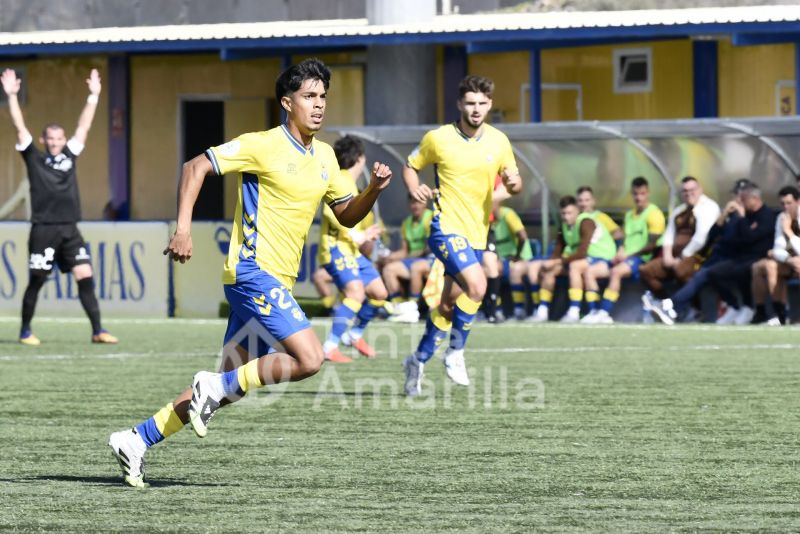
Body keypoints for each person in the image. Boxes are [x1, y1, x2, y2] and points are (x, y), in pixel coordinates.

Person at [108, 59, 392, 488]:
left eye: (323, 97)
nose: (318, 106)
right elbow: (194, 167)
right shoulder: (263, 145)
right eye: (309, 97)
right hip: (252, 274)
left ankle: (136, 439)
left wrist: (371, 189)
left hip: (275, 282)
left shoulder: (326, 157)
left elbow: (347, 216)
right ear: (286, 103)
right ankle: (211, 385)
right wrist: (182, 228)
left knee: (229, 386)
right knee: (310, 359)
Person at [401, 74, 521, 397]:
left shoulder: (499, 141)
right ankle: (455, 352)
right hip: (445, 227)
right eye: (470, 103)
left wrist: (511, 183)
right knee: (478, 284)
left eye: (482, 103)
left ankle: (417, 359)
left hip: (477, 235)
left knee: (450, 306)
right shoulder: (438, 138)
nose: (476, 109)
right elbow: (411, 166)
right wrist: (416, 189)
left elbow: (516, 184)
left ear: (490, 104)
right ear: (459, 104)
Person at [1, 68, 118, 346]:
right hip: (43, 229)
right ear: (43, 140)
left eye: (58, 139)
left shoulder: (69, 156)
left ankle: (98, 330)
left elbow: (84, 127)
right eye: (50, 139)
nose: (54, 143)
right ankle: (25, 331)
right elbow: (19, 127)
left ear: (63, 140)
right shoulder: (34, 158)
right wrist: (12, 96)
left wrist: (93, 95)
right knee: (37, 280)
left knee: (85, 274)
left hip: (69, 229)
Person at [646, 180, 774, 325]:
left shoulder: (764, 215)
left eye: (742, 198)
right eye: (737, 197)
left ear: (753, 198)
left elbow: (748, 238)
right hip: (727, 256)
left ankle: (672, 306)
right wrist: (724, 215)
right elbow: (713, 234)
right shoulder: (736, 215)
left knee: (708, 273)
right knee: (706, 273)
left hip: (748, 258)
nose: (738, 201)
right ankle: (674, 307)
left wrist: (742, 216)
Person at [318, 135, 388, 362]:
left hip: (352, 251)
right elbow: (333, 213)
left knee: (379, 293)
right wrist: (358, 235)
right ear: (360, 158)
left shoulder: (352, 184)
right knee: (355, 293)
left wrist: (367, 236)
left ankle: (354, 335)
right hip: (335, 249)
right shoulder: (339, 180)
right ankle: (329, 347)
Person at [582, 177, 665, 324]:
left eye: (642, 193)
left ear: (648, 193)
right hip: (624, 258)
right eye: (635, 194)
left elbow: (652, 245)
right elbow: (625, 239)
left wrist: (628, 254)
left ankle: (604, 312)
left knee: (616, 272)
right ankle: (593, 311)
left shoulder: (654, 214)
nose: (638, 197)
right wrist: (620, 251)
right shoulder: (629, 215)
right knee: (590, 272)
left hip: (641, 259)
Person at [530, 195, 616, 323]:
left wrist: (557, 261)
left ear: (577, 210)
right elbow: (558, 251)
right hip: (585, 259)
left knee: (575, 266)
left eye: (569, 213)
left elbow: (581, 253)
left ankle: (574, 311)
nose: (566, 217)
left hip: (602, 258)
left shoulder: (586, 222)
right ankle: (541, 310)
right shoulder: (564, 226)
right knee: (550, 270)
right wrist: (551, 263)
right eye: (563, 213)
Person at [639, 176, 720, 305]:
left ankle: (698, 307)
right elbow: (668, 236)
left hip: (698, 256)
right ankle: (665, 305)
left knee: (681, 270)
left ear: (700, 190)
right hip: (675, 256)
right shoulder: (679, 211)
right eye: (685, 191)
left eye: (692, 190)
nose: (689, 194)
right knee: (645, 271)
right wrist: (667, 256)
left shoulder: (708, 207)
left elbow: (700, 238)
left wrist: (682, 257)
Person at [751, 185, 800, 325]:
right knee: (765, 266)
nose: (785, 207)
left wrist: (788, 232)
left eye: (789, 203)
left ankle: (781, 314)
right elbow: (778, 248)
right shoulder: (781, 218)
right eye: (783, 203)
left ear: (798, 202)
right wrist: (789, 259)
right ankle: (777, 313)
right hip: (792, 263)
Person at [380, 194, 433, 323]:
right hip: (412, 259)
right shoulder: (406, 223)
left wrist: (411, 256)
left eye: (419, 202)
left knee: (416, 268)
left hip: (431, 259)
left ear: (425, 203)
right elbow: (404, 251)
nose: (415, 206)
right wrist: (390, 257)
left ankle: (413, 307)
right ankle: (399, 306)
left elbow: (429, 248)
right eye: (412, 202)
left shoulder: (431, 218)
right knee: (388, 269)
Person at [492, 201, 534, 320]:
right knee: (486, 268)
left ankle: (518, 310)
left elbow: (522, 236)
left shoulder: (508, 214)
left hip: (520, 257)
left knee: (500, 269)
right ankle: (494, 311)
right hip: (500, 259)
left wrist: (516, 256)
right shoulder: (486, 218)